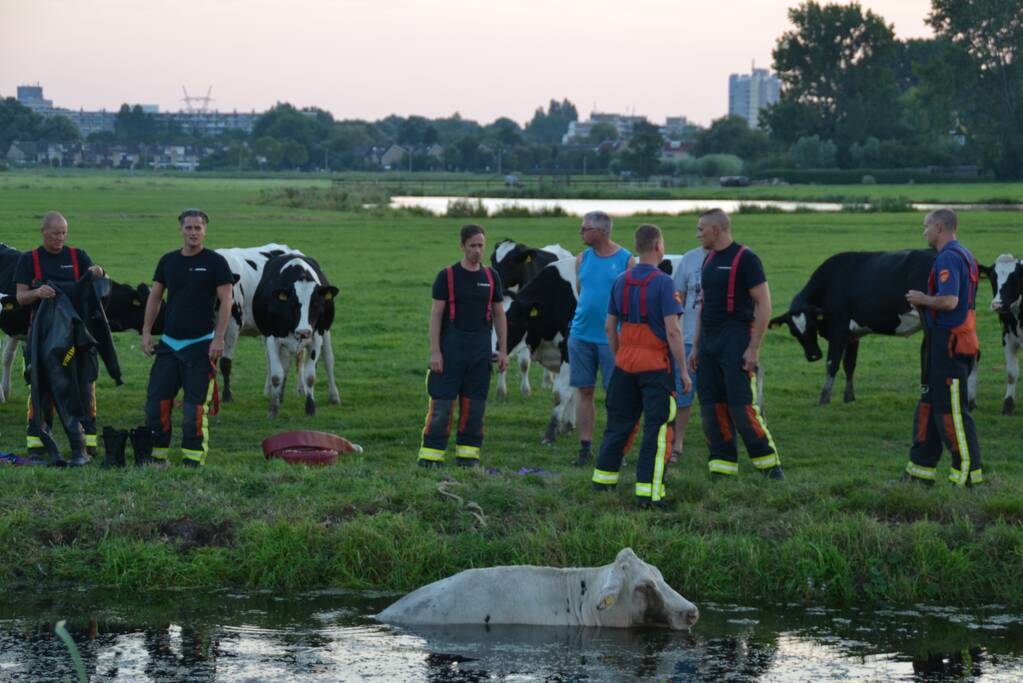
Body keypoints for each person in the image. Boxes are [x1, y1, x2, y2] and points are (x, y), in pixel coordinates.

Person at [591, 224, 690, 507]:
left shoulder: (620, 281)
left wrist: (620, 356)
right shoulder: (664, 283)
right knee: (657, 431)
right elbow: (673, 331)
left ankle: (603, 483)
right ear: (658, 246)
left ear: (637, 246)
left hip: (624, 365)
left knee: (618, 426)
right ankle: (649, 494)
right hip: (655, 367)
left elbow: (609, 327)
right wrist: (683, 371)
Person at [689, 209, 782, 479]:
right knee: (711, 406)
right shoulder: (708, 260)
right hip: (709, 342)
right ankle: (722, 467)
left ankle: (769, 466)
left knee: (741, 407)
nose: (697, 234)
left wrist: (753, 348)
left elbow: (764, 305)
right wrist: (696, 346)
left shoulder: (747, 259)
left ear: (716, 230)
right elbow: (703, 307)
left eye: (701, 229)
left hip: (736, 339)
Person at [141, 209, 233, 467]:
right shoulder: (168, 261)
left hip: (201, 345)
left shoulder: (216, 262)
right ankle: (157, 456)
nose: (193, 232)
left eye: (198, 228)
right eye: (189, 228)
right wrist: (146, 332)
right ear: (181, 230)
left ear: (205, 230)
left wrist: (219, 338)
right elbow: (155, 297)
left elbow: (227, 299)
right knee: (156, 404)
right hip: (169, 344)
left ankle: (192, 459)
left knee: (194, 408)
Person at [15, 211, 105, 460]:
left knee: (84, 385)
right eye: (55, 233)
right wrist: (37, 293)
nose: (60, 238)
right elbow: (20, 297)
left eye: (64, 233)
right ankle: (37, 441)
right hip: (43, 338)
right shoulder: (29, 260)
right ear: (43, 232)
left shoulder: (78, 256)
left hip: (77, 337)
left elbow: (100, 280)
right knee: (41, 386)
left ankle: (88, 441)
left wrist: (99, 271)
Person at [419, 224, 508, 467]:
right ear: (462, 246)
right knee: (442, 408)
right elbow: (436, 316)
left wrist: (503, 350)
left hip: (480, 354)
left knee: (475, 409)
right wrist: (435, 352)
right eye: (472, 246)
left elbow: (500, 315)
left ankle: (468, 460)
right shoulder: (447, 276)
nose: (477, 251)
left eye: (481, 245)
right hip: (450, 353)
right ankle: (430, 459)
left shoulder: (491, 277)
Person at [904, 208, 982, 486]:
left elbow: (949, 301)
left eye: (926, 226)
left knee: (952, 413)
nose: (923, 232)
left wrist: (922, 299)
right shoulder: (965, 254)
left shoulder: (949, 257)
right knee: (930, 406)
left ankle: (968, 477)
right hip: (942, 342)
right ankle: (919, 473)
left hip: (950, 344)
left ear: (939, 227)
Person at [569, 210, 635, 466]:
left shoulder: (626, 261)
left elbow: (630, 303)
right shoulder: (582, 258)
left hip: (612, 339)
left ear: (602, 231)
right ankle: (585, 448)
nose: (580, 232)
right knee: (584, 390)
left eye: (585, 228)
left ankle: (616, 449)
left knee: (615, 395)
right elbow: (581, 291)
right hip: (580, 336)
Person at [669, 244, 707, 462]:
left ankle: (720, 441)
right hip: (688, 339)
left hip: (719, 340)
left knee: (718, 396)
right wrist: (673, 324)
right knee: (683, 394)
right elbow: (678, 295)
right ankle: (677, 443)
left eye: (702, 229)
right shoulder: (689, 259)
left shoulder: (736, 257)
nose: (698, 234)